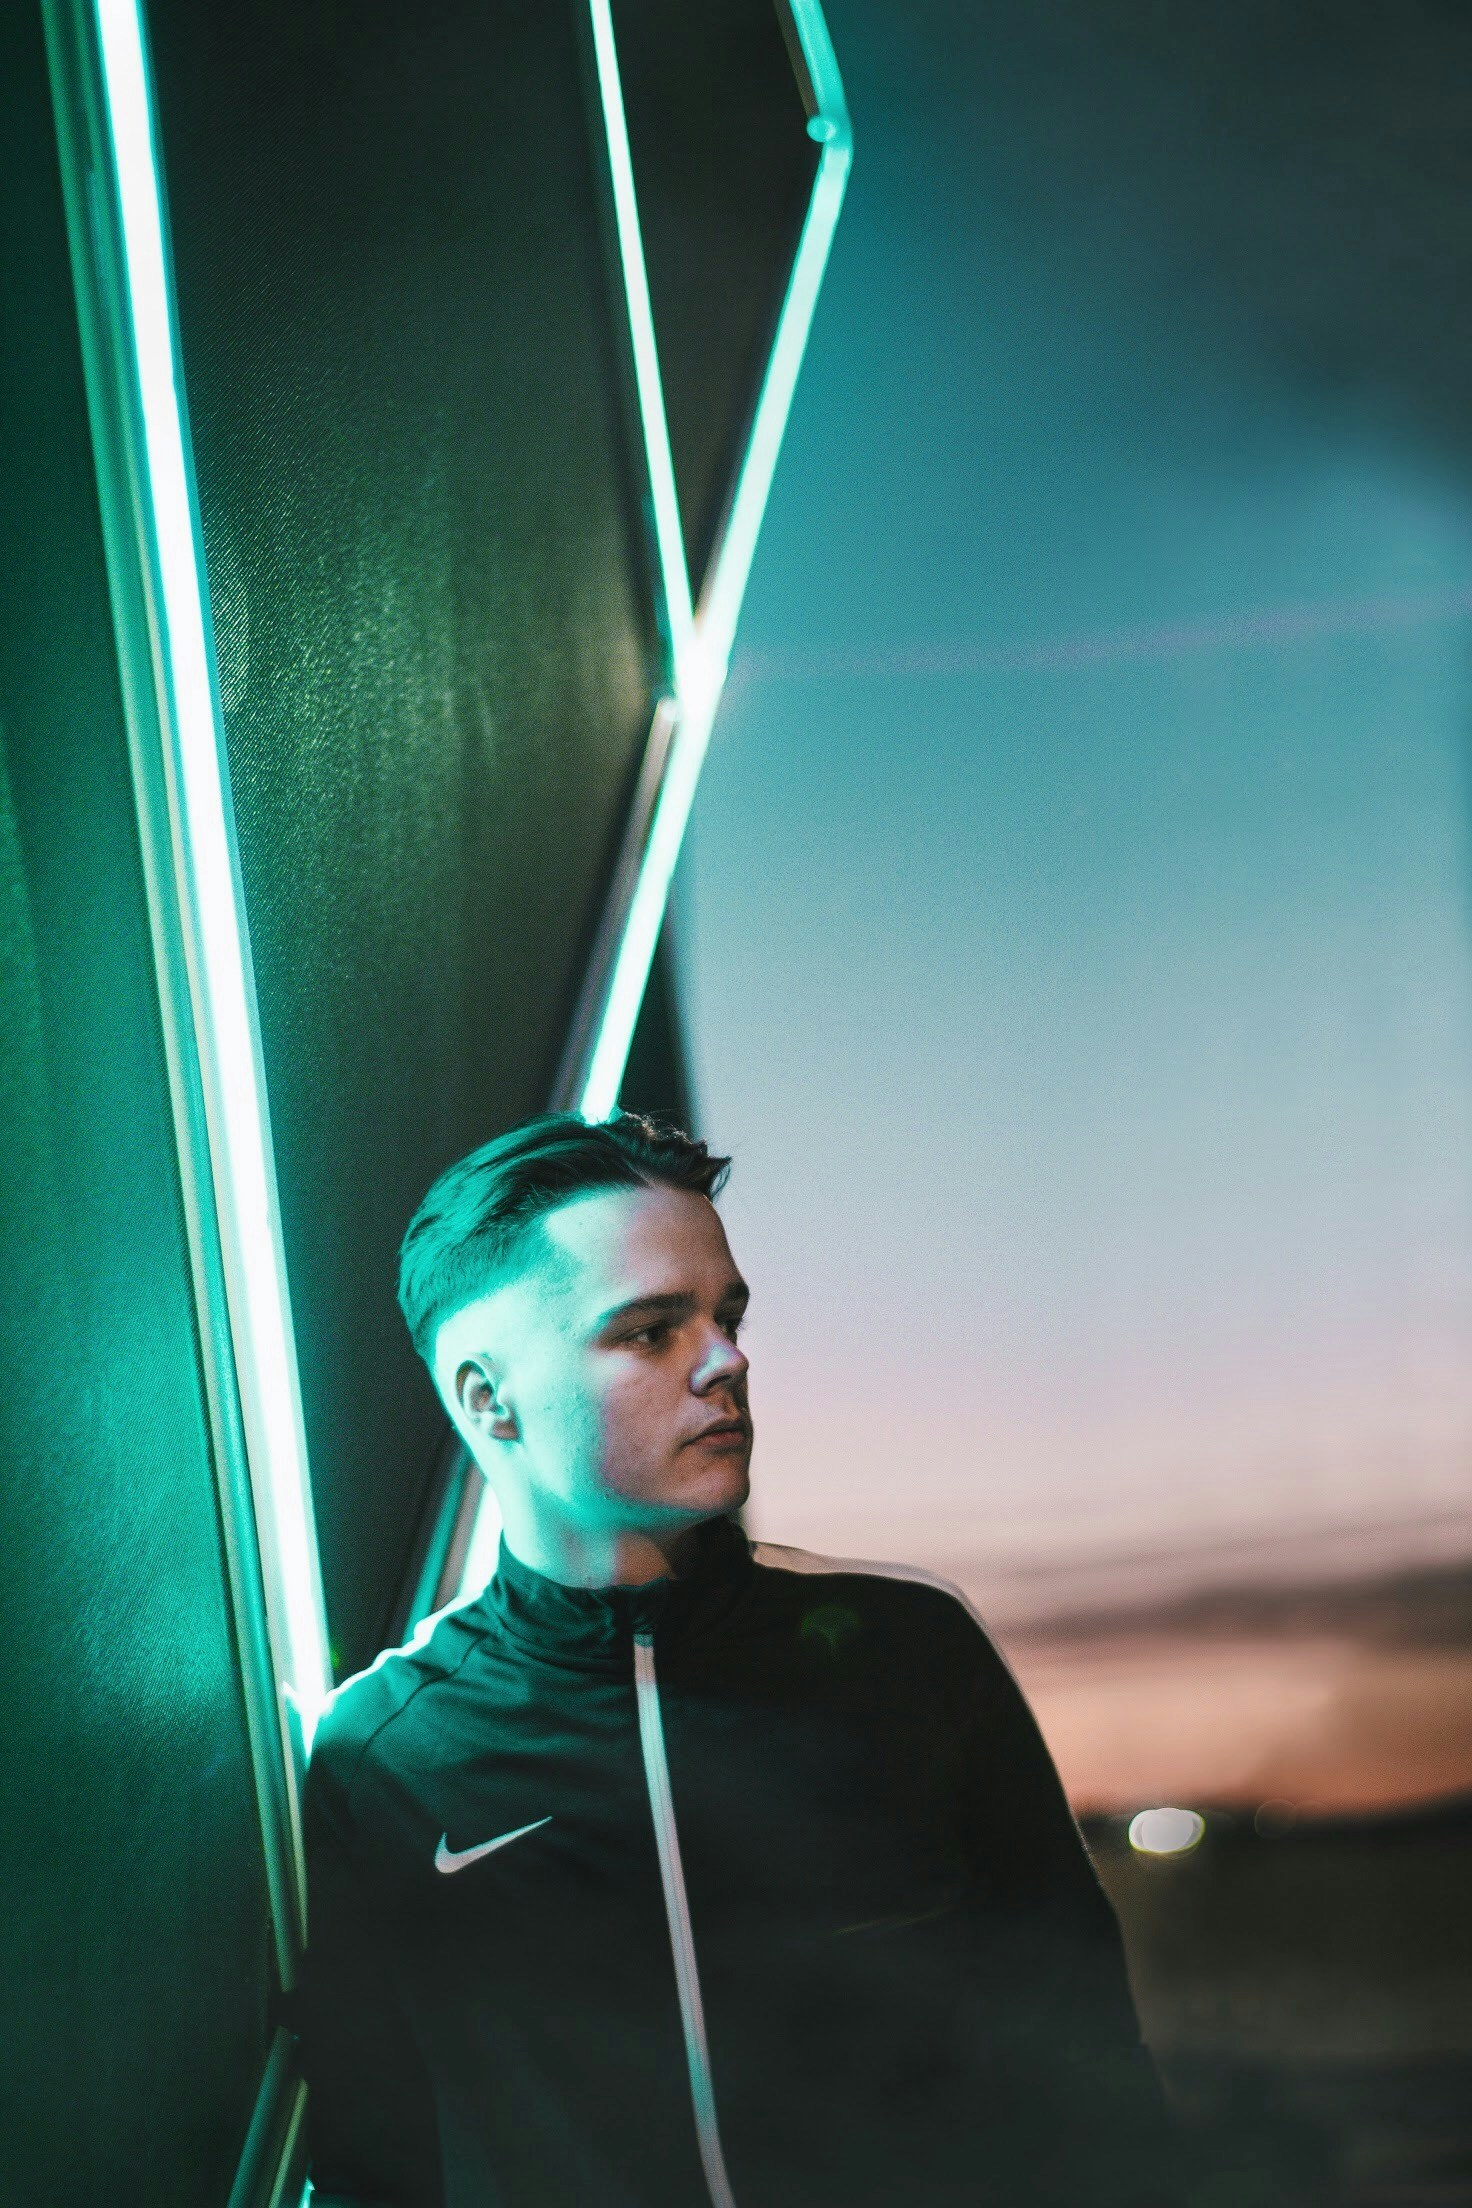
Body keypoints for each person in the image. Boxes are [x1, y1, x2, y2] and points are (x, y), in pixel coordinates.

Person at [301, 1112, 1184, 2208]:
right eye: (647, 1330)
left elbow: (1088, 2070)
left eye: (725, 1315)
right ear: (489, 1399)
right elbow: (370, 2156)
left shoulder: (902, 1651)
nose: (726, 1360)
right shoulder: (386, 1749)